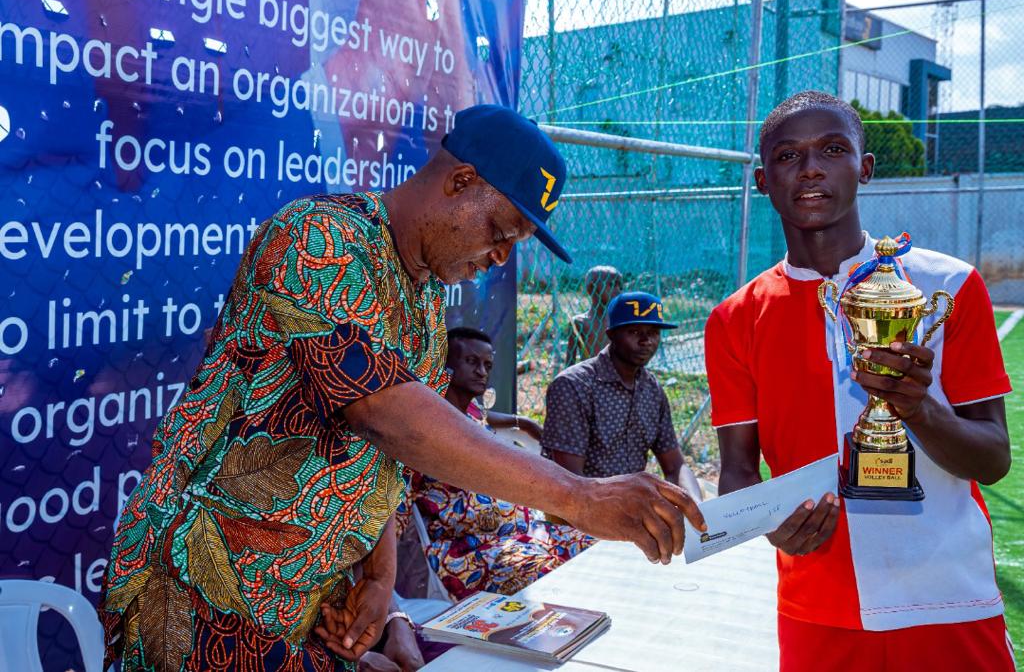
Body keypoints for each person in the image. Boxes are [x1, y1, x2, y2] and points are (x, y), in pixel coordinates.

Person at [99, 104, 704, 672]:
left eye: (513, 245)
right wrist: (579, 496)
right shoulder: (321, 241)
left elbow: (387, 462)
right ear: (460, 180)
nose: (499, 257)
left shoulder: (421, 297)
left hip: (305, 601)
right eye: (500, 230)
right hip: (206, 589)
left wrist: (381, 582)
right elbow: (384, 414)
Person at [705, 91, 1014, 671]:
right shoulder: (734, 319)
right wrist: (770, 525)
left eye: (833, 149)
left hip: (945, 596)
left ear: (865, 168)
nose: (812, 167)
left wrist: (919, 408)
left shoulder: (946, 286)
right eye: (788, 156)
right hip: (817, 605)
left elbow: (993, 458)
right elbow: (739, 472)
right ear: (762, 180)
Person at [399, 327, 594, 600]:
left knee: (594, 546)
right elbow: (398, 501)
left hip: (522, 534)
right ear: (445, 365)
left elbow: (486, 417)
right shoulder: (425, 428)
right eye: (471, 362)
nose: (481, 371)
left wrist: (523, 423)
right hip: (470, 551)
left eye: (487, 365)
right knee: (551, 573)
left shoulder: (472, 411)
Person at [542, 291, 703, 501]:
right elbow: (570, 483)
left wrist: (696, 506)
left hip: (634, 508)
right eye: (635, 331)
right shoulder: (574, 386)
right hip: (579, 513)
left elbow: (675, 465)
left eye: (654, 332)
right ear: (611, 334)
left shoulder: (652, 390)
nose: (646, 341)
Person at [566, 265, 623, 365]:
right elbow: (570, 363)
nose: (618, 291)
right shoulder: (579, 323)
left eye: (620, 287)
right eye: (612, 285)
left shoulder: (620, 321)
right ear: (592, 288)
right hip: (590, 376)